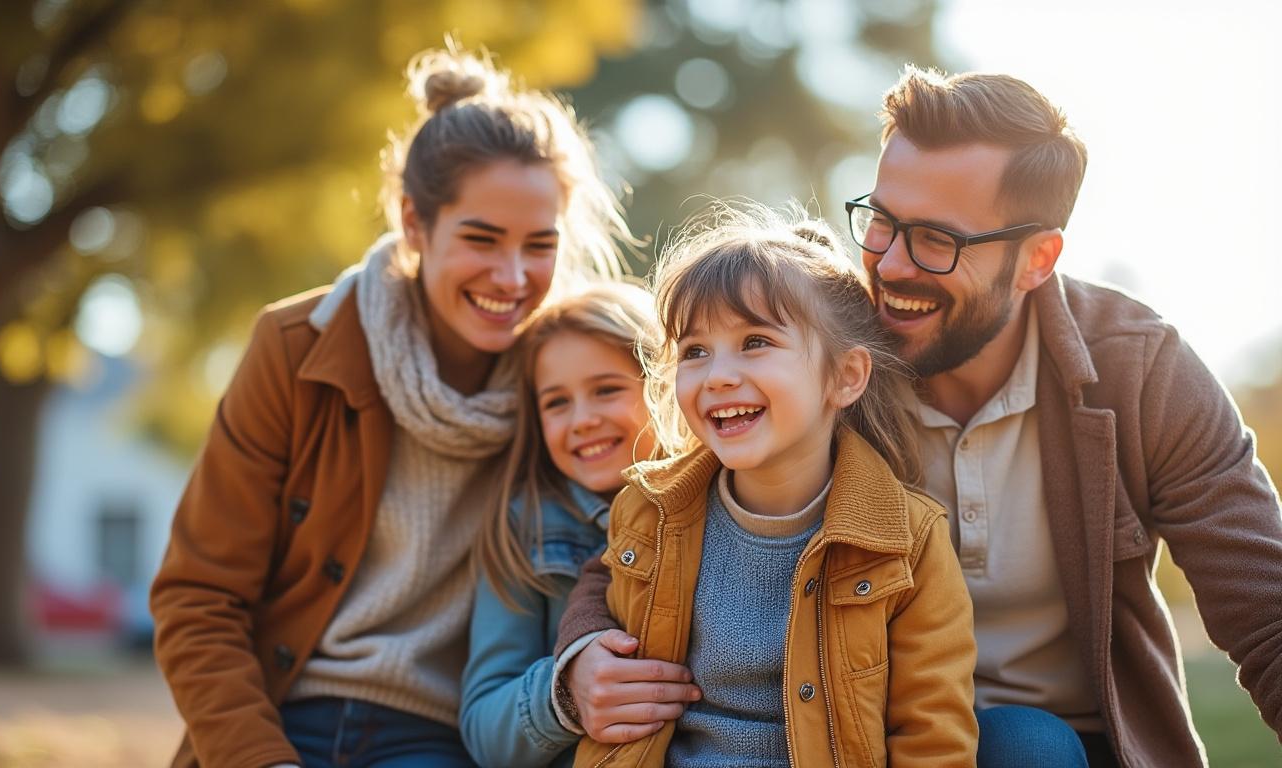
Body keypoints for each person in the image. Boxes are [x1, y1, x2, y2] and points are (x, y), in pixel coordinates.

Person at [556, 66, 1282, 768]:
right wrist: (583, 656)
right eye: (881, 221)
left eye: (939, 240)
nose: (892, 265)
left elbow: (1266, 612)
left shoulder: (1138, 371)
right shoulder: (823, 353)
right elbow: (653, 524)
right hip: (856, 735)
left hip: (1062, 744)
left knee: (1027, 743)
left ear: (1037, 259)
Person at [149, 43, 635, 768]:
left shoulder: (567, 387)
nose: (512, 276)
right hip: (280, 720)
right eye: (481, 239)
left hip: (442, 739)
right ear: (414, 224)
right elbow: (198, 598)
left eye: (540, 245)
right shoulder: (296, 348)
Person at [568, 206, 978, 767]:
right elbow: (597, 590)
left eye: (756, 341)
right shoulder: (649, 509)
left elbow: (933, 737)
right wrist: (578, 653)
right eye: (694, 352)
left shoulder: (910, 543)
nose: (717, 376)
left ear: (845, 377)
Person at [460, 283, 664, 768]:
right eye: (556, 403)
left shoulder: (727, 499)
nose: (582, 420)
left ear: (663, 380)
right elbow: (482, 725)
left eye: (607, 390)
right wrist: (567, 695)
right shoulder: (525, 527)